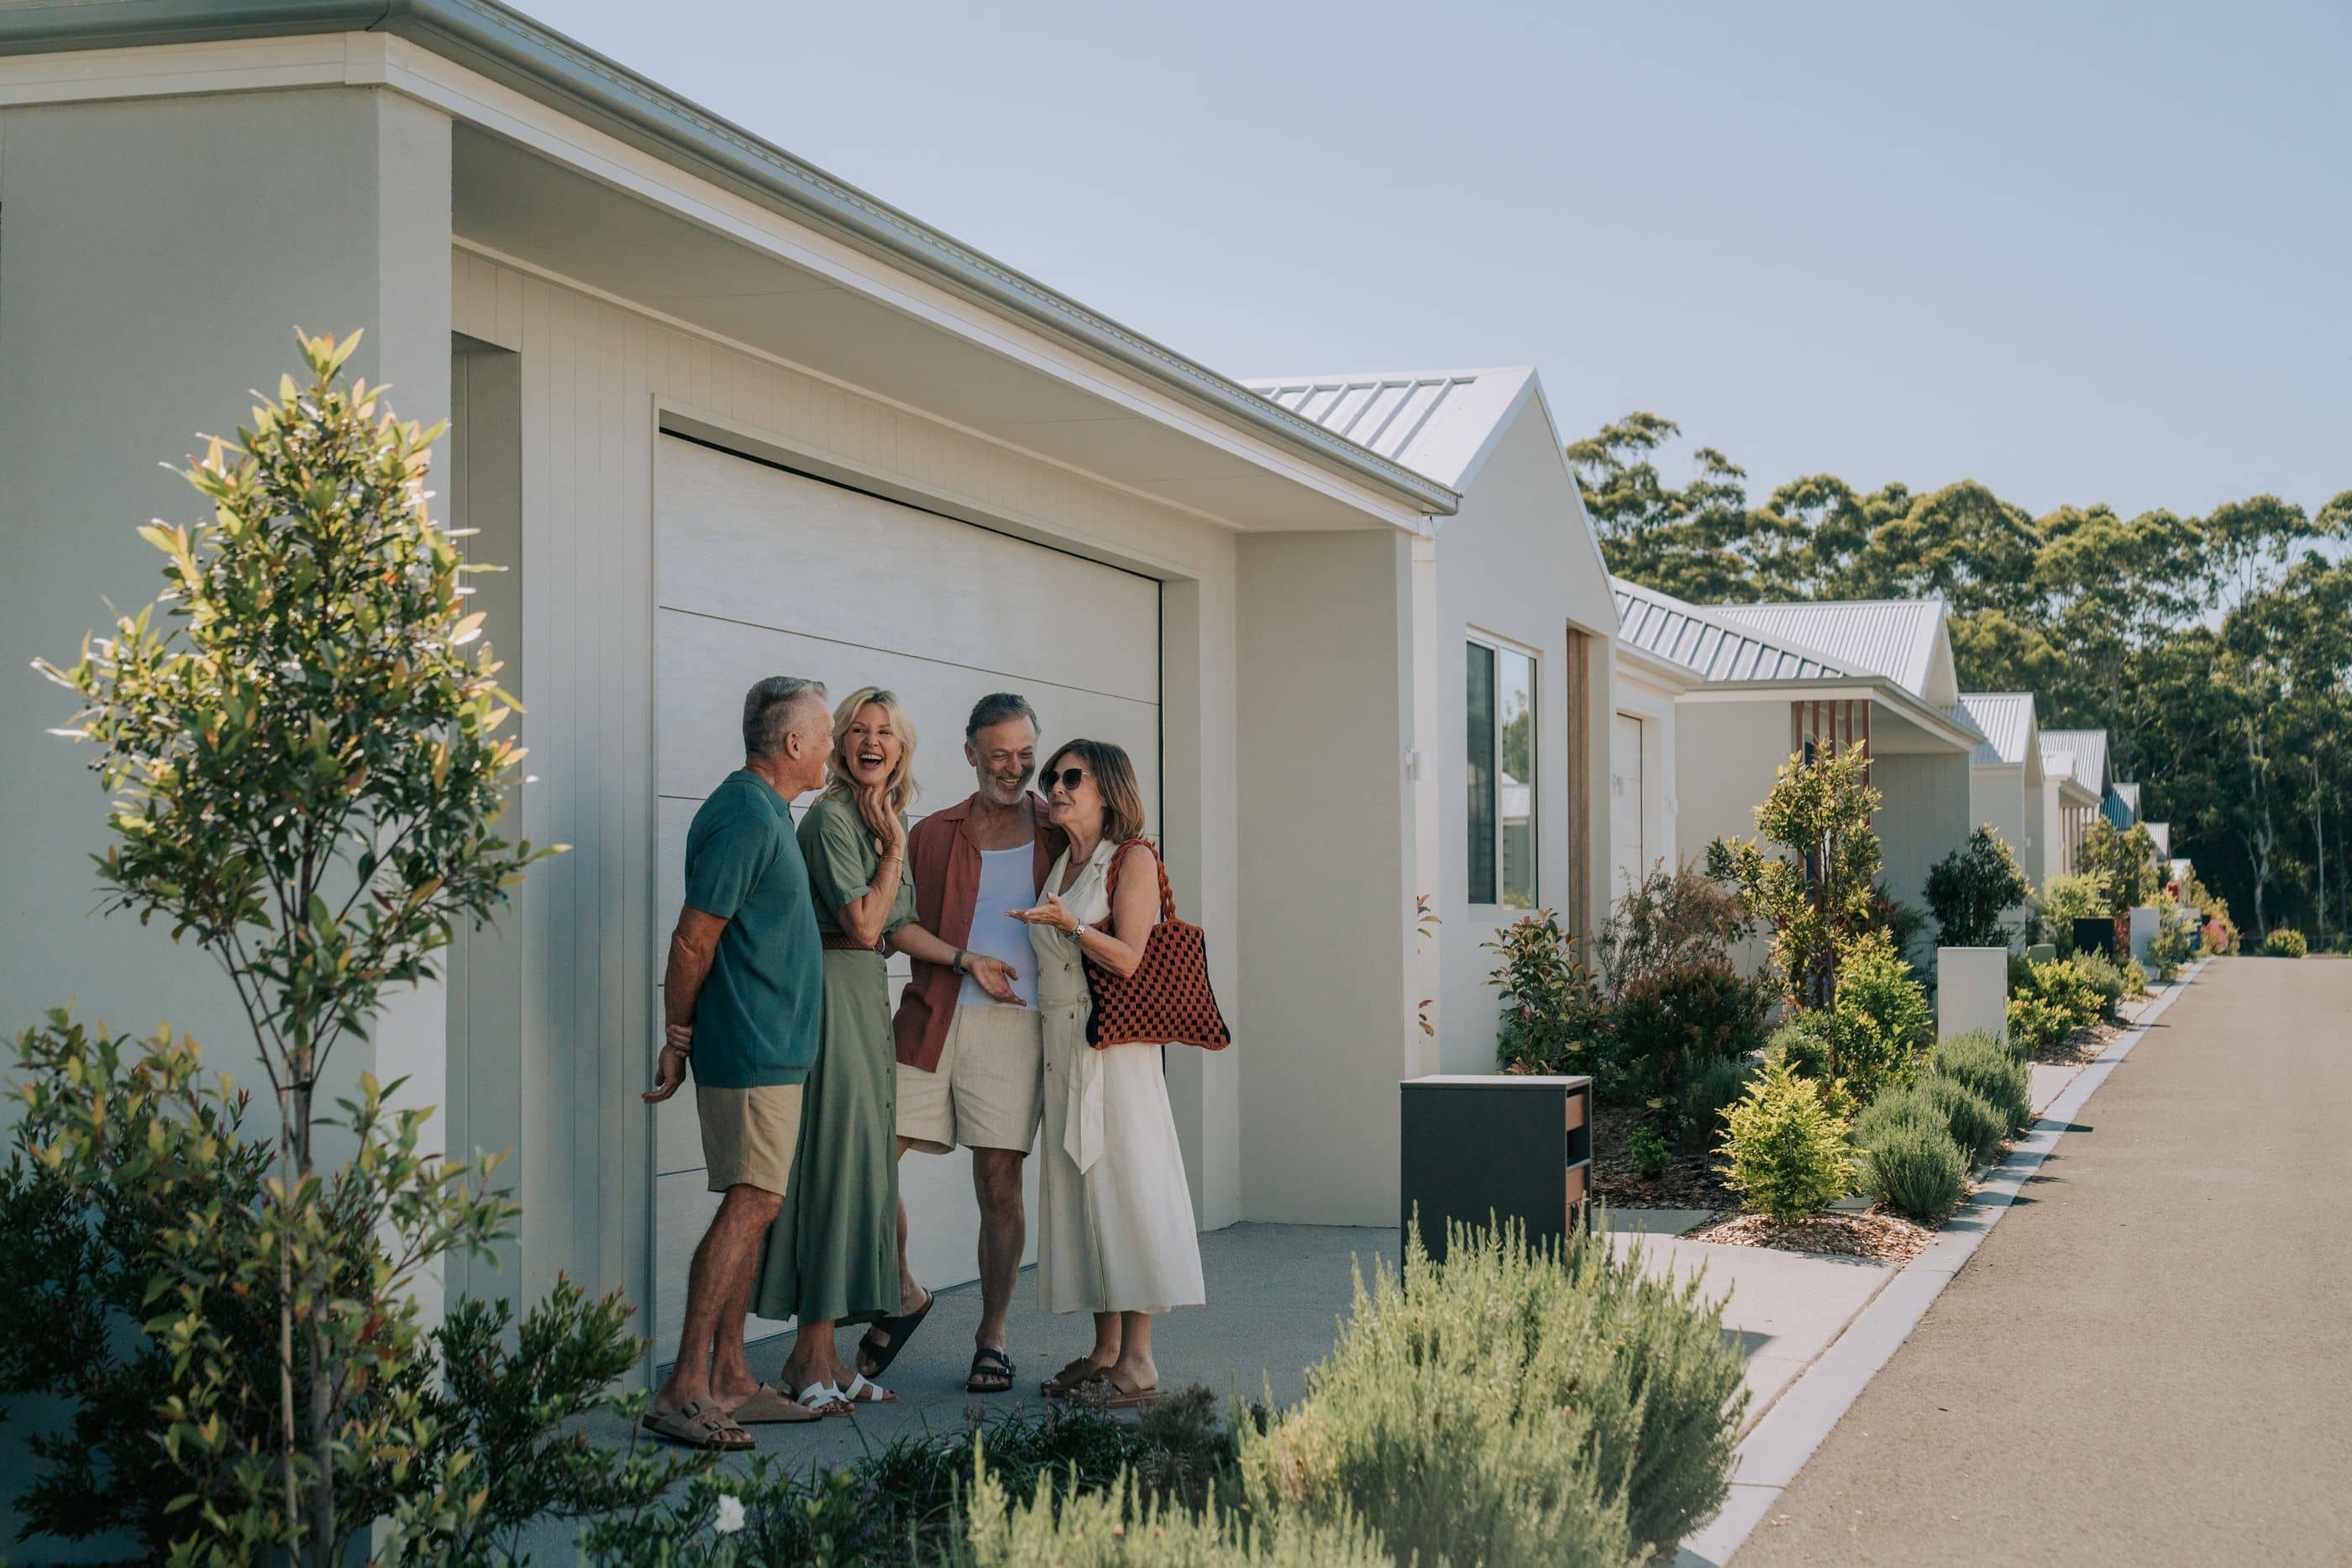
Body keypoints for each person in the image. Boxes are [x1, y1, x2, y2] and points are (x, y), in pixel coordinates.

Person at [751, 688, 1022, 1411]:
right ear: (840, 743)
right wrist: (898, 846)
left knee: (858, 1169)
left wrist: (967, 961)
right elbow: (868, 925)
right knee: (838, 1170)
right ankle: (807, 1357)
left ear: (901, 749)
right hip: (833, 1002)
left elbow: (900, 929)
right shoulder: (838, 819)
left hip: (865, 1002)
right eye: (859, 731)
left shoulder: (880, 817)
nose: (872, 742)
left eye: (886, 733)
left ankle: (828, 1357)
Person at [638, 675, 834, 1450]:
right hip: (750, 1048)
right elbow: (693, 940)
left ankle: (729, 1377)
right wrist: (677, 1033)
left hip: (773, 1048)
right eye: (823, 733)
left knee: (760, 1203)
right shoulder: (745, 815)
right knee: (751, 1201)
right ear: (792, 743)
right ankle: (684, 1385)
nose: (829, 746)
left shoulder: (766, 811)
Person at [863, 693, 1063, 1397]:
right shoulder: (934, 832)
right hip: (932, 1012)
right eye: (999, 753)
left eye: (1025, 753)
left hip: (1017, 1027)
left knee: (997, 1184)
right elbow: (894, 927)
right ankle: (905, 1291)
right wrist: (963, 958)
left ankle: (992, 1336)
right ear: (971, 751)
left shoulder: (1059, 827)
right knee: (869, 1161)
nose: (1015, 767)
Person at [1011, 737, 1205, 1408]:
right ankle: (1104, 1351)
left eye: (1072, 777)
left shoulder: (1135, 858)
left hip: (1115, 1050)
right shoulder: (1064, 862)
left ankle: (1141, 1360)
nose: (1057, 787)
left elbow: (1128, 958)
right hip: (1064, 1047)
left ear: (1108, 789)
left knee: (1127, 1186)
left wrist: (1072, 926)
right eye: (1051, 777)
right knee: (1083, 1189)